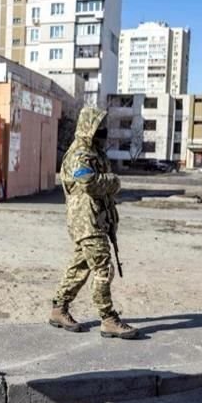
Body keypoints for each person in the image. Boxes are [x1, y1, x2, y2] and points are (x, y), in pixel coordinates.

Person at [49, 107, 139, 339]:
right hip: (86, 221)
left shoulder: (94, 152)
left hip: (95, 220)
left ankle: (59, 309)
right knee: (103, 268)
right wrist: (114, 181)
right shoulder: (80, 154)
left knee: (79, 267)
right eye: (99, 127)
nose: (103, 131)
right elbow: (88, 182)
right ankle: (108, 319)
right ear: (89, 127)